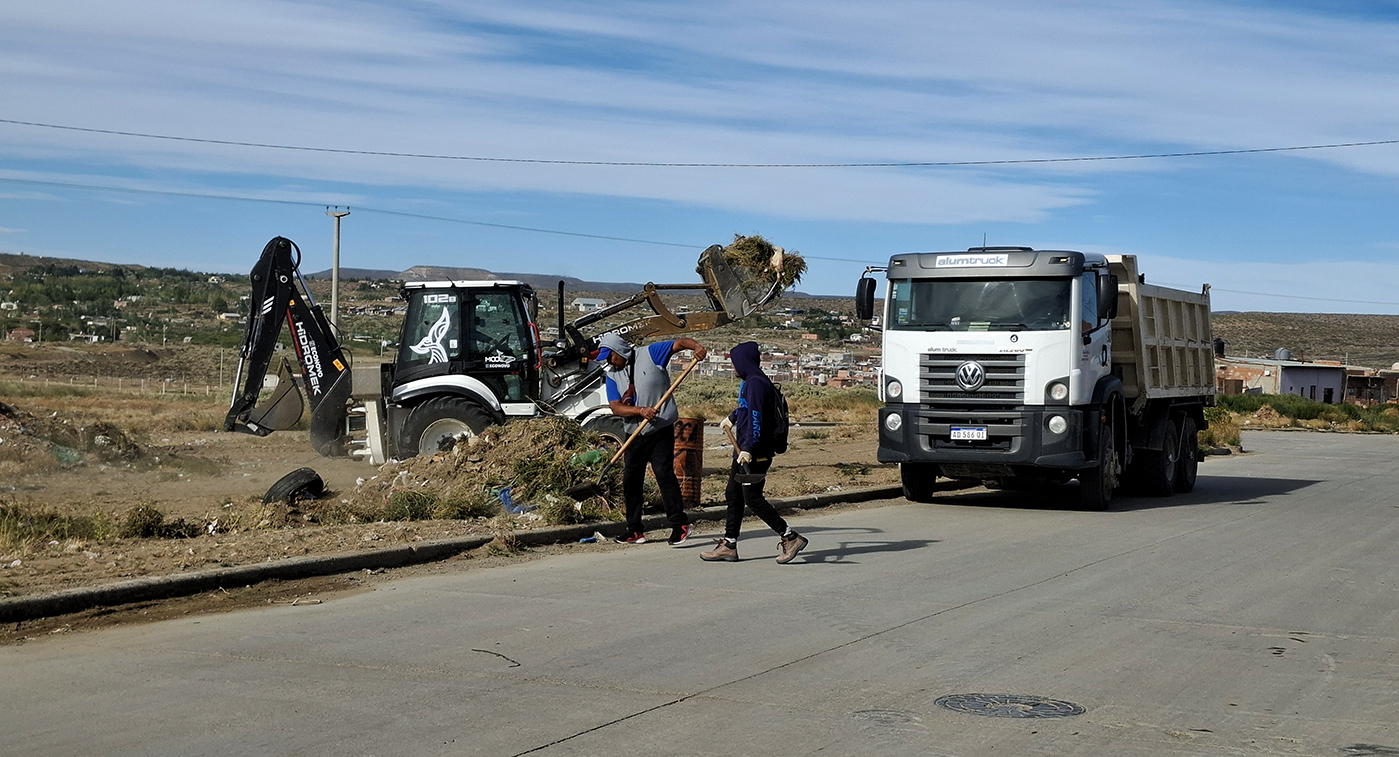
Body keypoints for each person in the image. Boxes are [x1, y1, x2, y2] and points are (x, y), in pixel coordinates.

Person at [701, 341, 808, 564]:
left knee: (753, 498)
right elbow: (746, 408)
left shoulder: (757, 384)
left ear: (743, 362)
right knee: (733, 494)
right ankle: (729, 544)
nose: (733, 368)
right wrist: (732, 417)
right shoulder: (751, 381)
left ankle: (790, 536)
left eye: (735, 363)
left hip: (755, 452)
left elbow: (757, 418)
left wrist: (748, 449)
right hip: (743, 450)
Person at [597, 332, 707, 546]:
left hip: (659, 429)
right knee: (631, 481)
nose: (609, 362)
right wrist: (640, 411)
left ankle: (679, 526)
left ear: (619, 351)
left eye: (610, 357)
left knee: (664, 473)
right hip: (634, 434)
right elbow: (615, 406)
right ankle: (634, 530)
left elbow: (680, 343)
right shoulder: (612, 375)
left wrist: (696, 347)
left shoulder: (651, 354)